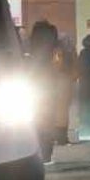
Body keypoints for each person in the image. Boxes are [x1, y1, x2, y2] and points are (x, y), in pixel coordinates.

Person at [27, 20, 67, 164]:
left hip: (33, 87)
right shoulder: (54, 49)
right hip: (49, 87)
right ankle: (46, 154)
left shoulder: (30, 49)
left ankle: (36, 153)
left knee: (35, 121)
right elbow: (58, 66)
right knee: (48, 121)